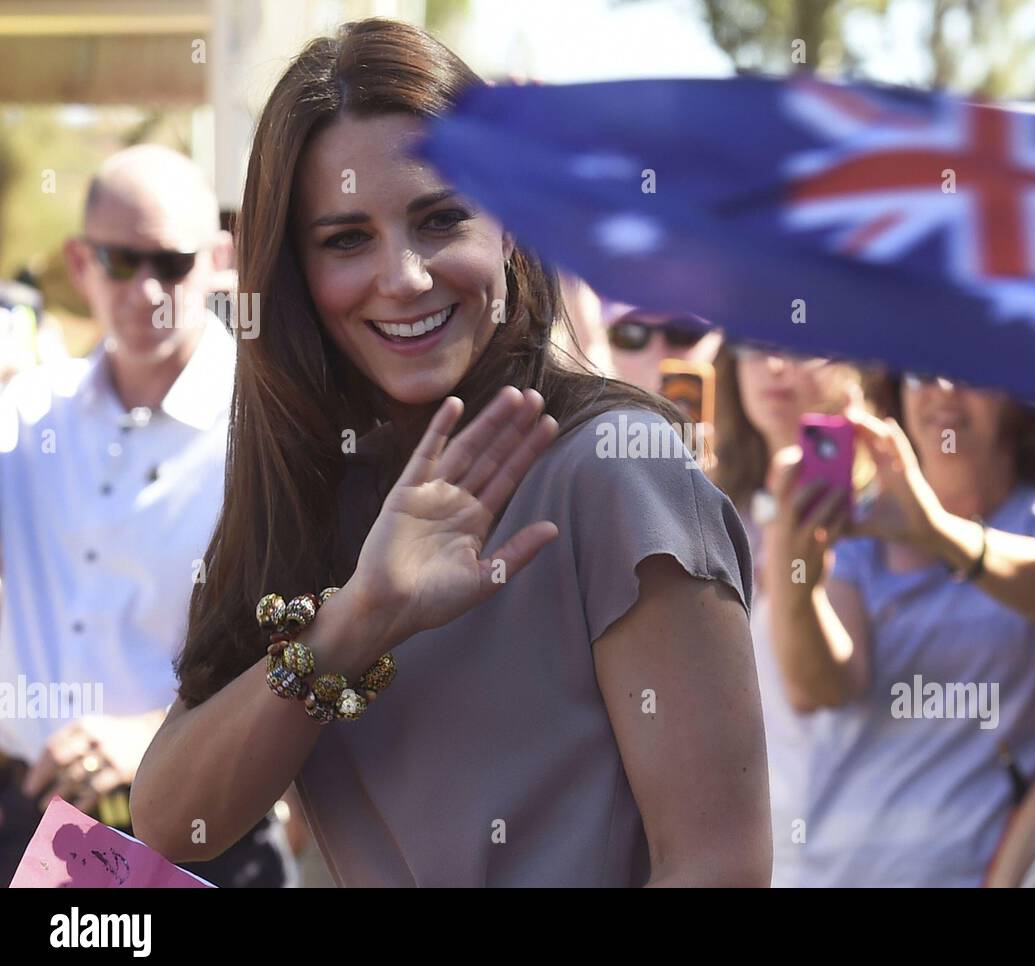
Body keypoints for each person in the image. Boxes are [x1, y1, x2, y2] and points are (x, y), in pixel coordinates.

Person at [129, 18, 769, 888]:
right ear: (293, 274)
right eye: (346, 239)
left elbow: (717, 866)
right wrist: (357, 621)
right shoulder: (310, 482)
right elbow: (174, 821)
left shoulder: (618, 469)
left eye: (440, 219)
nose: (405, 277)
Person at [0, 145, 294, 886]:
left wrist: (148, 739)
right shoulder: (25, 413)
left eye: (172, 261)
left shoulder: (272, 431)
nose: (148, 289)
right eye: (121, 261)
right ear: (80, 261)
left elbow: (317, 640)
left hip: (206, 834)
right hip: (32, 829)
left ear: (222, 258)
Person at [764, 373, 1035, 885]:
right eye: (921, 369)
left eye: (970, 370)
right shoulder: (859, 534)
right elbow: (819, 689)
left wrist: (936, 532)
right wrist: (796, 577)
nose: (943, 388)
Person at [708, 341, 868, 886]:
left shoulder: (885, 513)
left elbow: (821, 689)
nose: (773, 367)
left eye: (798, 345)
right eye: (751, 347)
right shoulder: (710, 504)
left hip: (851, 848)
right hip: (742, 844)